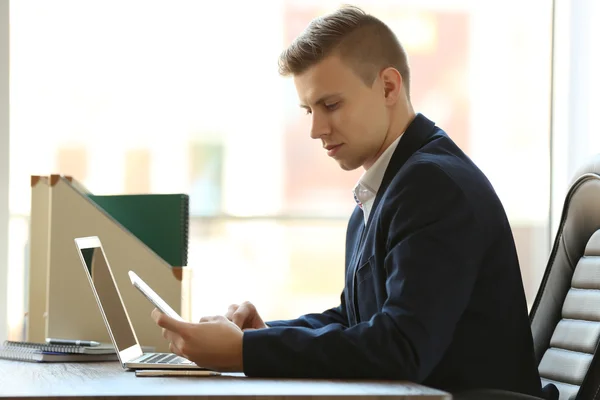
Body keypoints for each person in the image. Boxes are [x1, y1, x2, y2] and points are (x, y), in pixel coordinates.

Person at [151, 5, 543, 397]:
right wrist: (263, 334)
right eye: (308, 110)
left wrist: (243, 352)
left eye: (331, 105)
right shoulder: (384, 189)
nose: (315, 129)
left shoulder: (432, 186)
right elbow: (353, 321)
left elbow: (399, 347)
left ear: (389, 87)